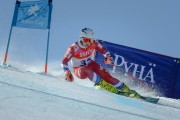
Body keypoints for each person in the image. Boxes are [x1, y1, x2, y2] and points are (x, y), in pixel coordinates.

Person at [61, 28, 140, 98]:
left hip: (90, 64)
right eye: (86, 40)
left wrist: (108, 56)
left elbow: (103, 50)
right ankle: (104, 86)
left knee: (105, 75)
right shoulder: (73, 48)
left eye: (90, 40)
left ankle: (126, 89)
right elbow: (64, 61)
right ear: (81, 39)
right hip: (79, 70)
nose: (88, 43)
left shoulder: (93, 44)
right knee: (86, 69)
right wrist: (67, 72)